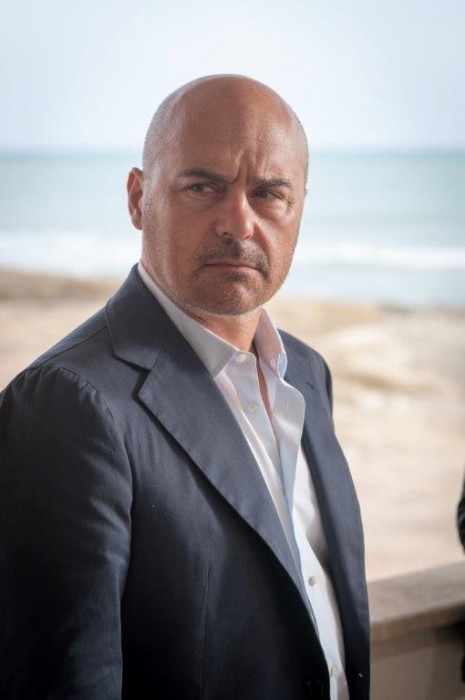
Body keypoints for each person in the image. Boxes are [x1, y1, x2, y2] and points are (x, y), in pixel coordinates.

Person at [0, 75, 369, 700]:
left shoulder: (307, 373)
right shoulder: (67, 404)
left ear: (299, 207)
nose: (239, 223)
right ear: (138, 199)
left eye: (269, 194)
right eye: (203, 187)